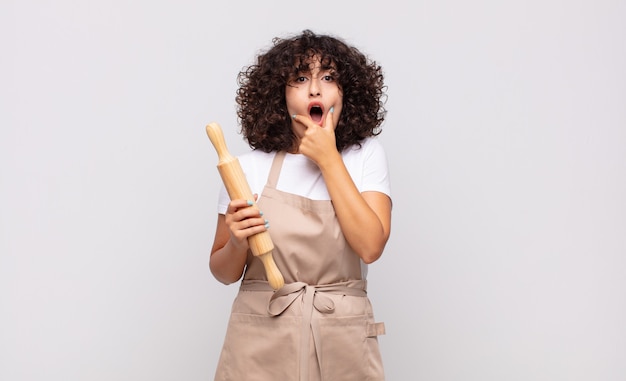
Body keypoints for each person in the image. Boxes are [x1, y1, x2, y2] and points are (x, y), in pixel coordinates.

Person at [209, 29, 392, 381]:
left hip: (341, 340)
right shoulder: (248, 168)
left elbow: (370, 246)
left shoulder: (364, 157)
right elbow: (222, 271)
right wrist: (236, 241)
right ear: (280, 95)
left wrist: (328, 158)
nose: (315, 89)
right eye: (300, 78)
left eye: (328, 77)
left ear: (345, 92)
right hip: (259, 342)